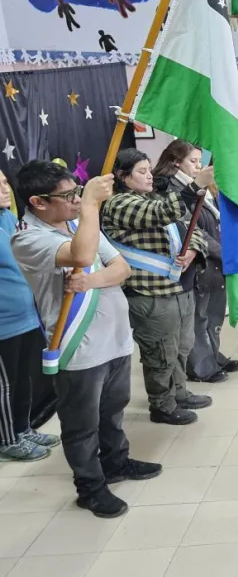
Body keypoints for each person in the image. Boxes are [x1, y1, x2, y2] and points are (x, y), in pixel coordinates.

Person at [12, 162, 162, 517]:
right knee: (82, 425)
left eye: (78, 193)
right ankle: (90, 487)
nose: (77, 200)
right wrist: (92, 206)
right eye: (68, 196)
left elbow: (122, 268)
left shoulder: (80, 222)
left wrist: (92, 281)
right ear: (38, 202)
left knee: (113, 411)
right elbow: (81, 255)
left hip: (115, 339)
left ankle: (116, 462)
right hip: (79, 347)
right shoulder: (27, 238)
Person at [102, 148, 212, 425]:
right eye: (141, 171)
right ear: (121, 176)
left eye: (149, 170)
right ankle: (162, 405)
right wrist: (196, 186)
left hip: (178, 286)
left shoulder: (150, 197)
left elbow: (193, 229)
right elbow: (161, 213)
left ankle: (179, 392)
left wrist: (193, 251)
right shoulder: (118, 204)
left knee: (181, 347)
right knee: (160, 353)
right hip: (150, 292)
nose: (150, 176)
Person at [152, 141, 238, 383]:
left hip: (213, 259)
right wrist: (222, 252)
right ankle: (200, 365)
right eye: (193, 161)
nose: (198, 166)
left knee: (213, 313)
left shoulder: (201, 186)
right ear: (175, 162)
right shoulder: (171, 189)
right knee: (197, 317)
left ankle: (212, 355)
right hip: (196, 261)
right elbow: (190, 228)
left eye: (200, 161)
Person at [0, 169, 59, 462]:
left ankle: (23, 428)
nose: (4, 188)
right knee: (4, 385)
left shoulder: (9, 219)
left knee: (24, 379)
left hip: (26, 316)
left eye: (4, 182)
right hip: (3, 324)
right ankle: (7, 440)